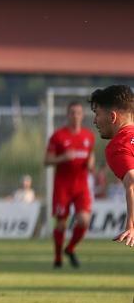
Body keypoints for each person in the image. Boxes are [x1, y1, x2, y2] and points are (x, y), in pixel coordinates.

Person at [44, 102, 95, 268]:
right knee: (60, 224)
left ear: (83, 115)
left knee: (84, 220)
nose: (75, 116)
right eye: (72, 112)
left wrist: (91, 164)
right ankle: (58, 258)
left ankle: (70, 248)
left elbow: (91, 156)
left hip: (81, 186)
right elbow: (47, 161)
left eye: (78, 113)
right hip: (62, 186)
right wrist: (63, 158)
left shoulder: (88, 136)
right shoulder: (58, 136)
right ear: (67, 115)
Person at [89, 86, 134, 253]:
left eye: (97, 114)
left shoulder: (118, 146)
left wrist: (131, 225)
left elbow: (132, 182)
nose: (95, 121)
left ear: (112, 116)